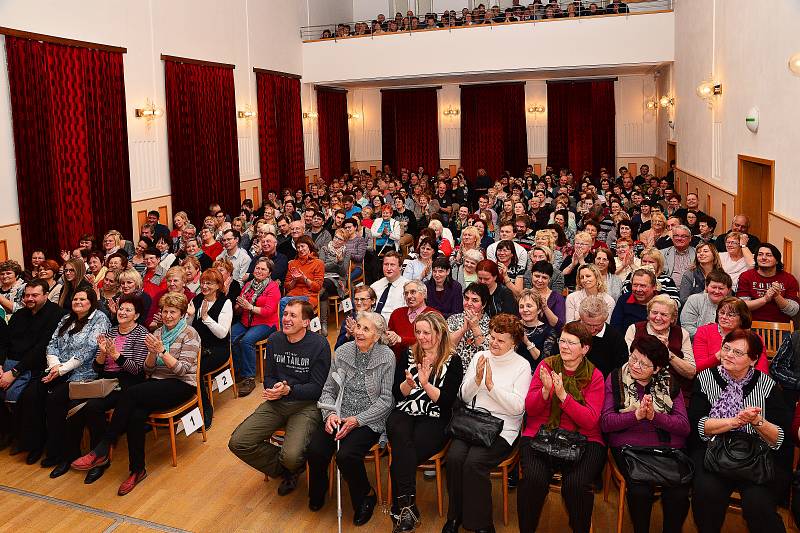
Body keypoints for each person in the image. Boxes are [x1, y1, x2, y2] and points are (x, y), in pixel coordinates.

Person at [71, 292, 201, 496]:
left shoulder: (190, 334)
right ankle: (137, 470)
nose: (167, 316)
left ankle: (104, 446)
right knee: (135, 415)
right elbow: (148, 371)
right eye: (165, 311)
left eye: (173, 312)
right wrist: (152, 353)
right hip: (156, 383)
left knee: (130, 393)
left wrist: (162, 352)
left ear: (182, 314)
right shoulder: (157, 333)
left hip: (180, 384)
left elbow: (182, 370)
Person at [688, 329, 791, 533]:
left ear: (753, 360)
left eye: (737, 352)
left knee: (758, 504)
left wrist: (756, 421)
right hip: (713, 450)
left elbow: (780, 437)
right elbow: (699, 425)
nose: (728, 355)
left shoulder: (767, 385)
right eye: (726, 348)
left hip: (756, 455)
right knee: (707, 492)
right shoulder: (705, 378)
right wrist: (734, 421)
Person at [228, 300, 331, 496]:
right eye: (285, 314)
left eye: (293, 315)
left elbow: (318, 389)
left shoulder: (319, 345)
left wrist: (288, 390)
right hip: (278, 401)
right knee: (238, 442)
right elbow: (268, 377)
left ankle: (291, 463)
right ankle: (288, 469)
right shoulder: (275, 339)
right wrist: (274, 388)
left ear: (306, 322)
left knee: (291, 455)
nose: (286, 319)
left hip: (306, 405)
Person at [444, 314, 532, 533]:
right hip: (473, 423)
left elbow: (518, 408)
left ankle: (482, 524)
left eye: (501, 340)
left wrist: (491, 386)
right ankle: (455, 516)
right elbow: (463, 397)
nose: (494, 343)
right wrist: (476, 381)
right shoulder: (480, 356)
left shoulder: (522, 366)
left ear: (514, 342)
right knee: (454, 458)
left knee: (474, 463)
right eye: (492, 337)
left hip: (504, 428)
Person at [306, 311, 395, 526]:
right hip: (339, 413)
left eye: (366, 329)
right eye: (358, 327)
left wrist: (357, 420)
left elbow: (385, 401)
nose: (360, 332)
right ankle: (318, 491)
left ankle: (365, 495)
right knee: (316, 449)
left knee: (346, 456)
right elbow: (328, 390)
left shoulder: (387, 356)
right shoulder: (343, 351)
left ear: (377, 335)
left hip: (368, 418)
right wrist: (330, 414)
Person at [517, 320, 606, 533]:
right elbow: (531, 409)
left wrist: (563, 397)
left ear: (585, 348)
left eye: (571, 343)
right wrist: (546, 393)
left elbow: (589, 421)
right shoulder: (546, 365)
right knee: (533, 480)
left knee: (575, 485)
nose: (564, 346)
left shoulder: (595, 376)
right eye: (562, 340)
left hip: (584, 438)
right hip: (542, 432)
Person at [600, 335, 692, 533]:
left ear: (657, 369)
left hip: (666, 450)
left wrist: (654, 416)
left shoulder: (669, 383)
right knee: (640, 491)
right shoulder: (616, 378)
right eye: (633, 358)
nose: (635, 366)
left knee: (678, 494)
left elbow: (684, 426)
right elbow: (607, 423)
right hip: (629, 448)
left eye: (643, 364)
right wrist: (637, 415)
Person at [386, 312, 463, 530]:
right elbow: (397, 393)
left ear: (439, 333)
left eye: (427, 332)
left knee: (401, 457)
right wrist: (409, 385)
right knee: (401, 438)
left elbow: (446, 402)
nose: (421, 337)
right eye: (418, 332)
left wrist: (426, 384)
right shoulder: (408, 354)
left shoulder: (453, 361)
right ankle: (407, 507)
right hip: (404, 411)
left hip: (435, 416)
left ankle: (402, 508)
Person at [62, 294, 148, 483]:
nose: (123, 312)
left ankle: (99, 458)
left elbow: (137, 370)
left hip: (127, 382)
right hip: (105, 381)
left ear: (137, 315)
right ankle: (71, 456)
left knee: (94, 407)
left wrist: (115, 354)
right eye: (121, 309)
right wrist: (102, 352)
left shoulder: (141, 333)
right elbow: (97, 368)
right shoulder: (112, 331)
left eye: (128, 310)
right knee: (74, 404)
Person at [39, 289, 111, 476]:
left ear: (91, 302)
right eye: (75, 299)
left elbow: (88, 350)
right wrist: (55, 365)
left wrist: (60, 370)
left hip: (86, 375)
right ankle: (64, 455)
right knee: (44, 398)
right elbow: (52, 343)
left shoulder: (100, 319)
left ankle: (96, 461)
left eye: (82, 299)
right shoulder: (66, 319)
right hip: (60, 371)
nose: (78, 302)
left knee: (69, 406)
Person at [0, 280, 67, 460]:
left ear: (46, 294)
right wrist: (1, 365)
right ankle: (10, 435)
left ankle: (34, 444)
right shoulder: (19, 315)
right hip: (10, 365)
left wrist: (14, 372)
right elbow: (4, 343)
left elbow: (42, 348)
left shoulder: (57, 315)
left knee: (29, 397)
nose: (30, 299)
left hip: (39, 367)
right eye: (27, 295)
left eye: (34, 295)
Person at [625, 294, 697, 400]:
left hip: (674, 392)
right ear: (648, 314)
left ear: (672, 318)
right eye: (654, 313)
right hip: (637, 390)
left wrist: (668, 353)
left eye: (664, 314)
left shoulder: (682, 333)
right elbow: (628, 365)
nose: (658, 318)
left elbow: (691, 372)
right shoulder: (634, 329)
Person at [186, 269, 232, 428]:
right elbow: (188, 329)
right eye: (203, 283)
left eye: (209, 283)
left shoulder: (225, 302)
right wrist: (191, 316)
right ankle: (189, 407)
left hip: (218, 348)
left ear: (218, 285)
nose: (204, 286)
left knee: (195, 372)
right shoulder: (197, 299)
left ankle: (206, 410)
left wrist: (206, 318)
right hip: (198, 347)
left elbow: (222, 334)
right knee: (181, 368)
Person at [232, 257, 280, 397]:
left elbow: (268, 311)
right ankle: (239, 369)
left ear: (269, 272)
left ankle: (249, 377)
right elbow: (239, 307)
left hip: (265, 323)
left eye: (263, 269)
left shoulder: (272, 287)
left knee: (246, 341)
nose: (259, 271)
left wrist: (250, 307)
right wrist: (239, 306)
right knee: (231, 337)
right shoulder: (247, 285)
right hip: (246, 320)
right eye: (257, 268)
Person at [692, 296, 769, 374]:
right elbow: (699, 368)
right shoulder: (704, 331)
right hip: (711, 380)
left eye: (730, 315)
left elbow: (762, 371)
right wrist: (719, 355)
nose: (724, 317)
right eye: (722, 312)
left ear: (742, 318)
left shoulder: (754, 338)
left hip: (745, 381)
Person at [737, 243, 800, 324]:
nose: (763, 258)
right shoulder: (746, 276)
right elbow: (741, 307)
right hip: (751, 325)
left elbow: (793, 311)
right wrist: (765, 299)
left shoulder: (789, 279)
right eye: (760, 254)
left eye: (769, 255)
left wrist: (777, 295)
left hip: (780, 327)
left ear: (777, 260)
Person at [579, 295, 630, 377]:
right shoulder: (571, 332)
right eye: (588, 324)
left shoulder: (616, 339)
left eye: (597, 325)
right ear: (581, 318)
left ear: (605, 319)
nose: (592, 330)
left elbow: (621, 371)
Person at [387, 280, 438, 359]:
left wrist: (401, 339)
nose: (409, 296)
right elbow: (389, 339)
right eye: (406, 293)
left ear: (424, 294)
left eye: (413, 292)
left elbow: (435, 341)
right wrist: (389, 339)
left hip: (424, 361)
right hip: (396, 363)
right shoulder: (396, 313)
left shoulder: (434, 315)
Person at [680, 270, 733, 338]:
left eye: (721, 288)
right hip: (696, 343)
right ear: (706, 287)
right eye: (713, 287)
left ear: (728, 290)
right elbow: (687, 328)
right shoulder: (694, 300)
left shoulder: (733, 306)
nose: (717, 291)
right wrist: (710, 335)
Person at [318, 228, 351, 336]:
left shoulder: (346, 252)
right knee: (325, 290)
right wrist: (335, 262)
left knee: (324, 284)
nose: (336, 240)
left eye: (340, 239)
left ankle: (314, 301)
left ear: (344, 242)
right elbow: (322, 267)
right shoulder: (324, 249)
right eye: (336, 237)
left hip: (339, 281)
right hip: (324, 279)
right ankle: (324, 324)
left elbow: (343, 272)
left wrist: (340, 262)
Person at [283, 235, 324, 317]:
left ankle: (291, 328)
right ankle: (285, 328)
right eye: (298, 247)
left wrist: (304, 278)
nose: (300, 249)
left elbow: (317, 287)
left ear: (309, 246)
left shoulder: (318, 263)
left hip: (308, 296)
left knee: (288, 304)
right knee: (284, 302)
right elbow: (287, 287)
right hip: (293, 295)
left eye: (302, 246)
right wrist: (294, 280)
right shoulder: (292, 263)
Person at [517, 289, 557, 370]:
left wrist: (527, 342)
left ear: (539, 310)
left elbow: (544, 362)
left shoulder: (549, 331)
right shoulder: (513, 326)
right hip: (514, 371)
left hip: (536, 373)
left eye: (529, 306)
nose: (524, 310)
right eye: (521, 306)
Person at [611, 268, 659, 333]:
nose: (638, 289)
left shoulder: (662, 303)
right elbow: (615, 328)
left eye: (643, 286)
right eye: (635, 285)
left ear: (654, 287)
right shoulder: (624, 299)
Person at [370, 251, 410, 323]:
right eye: (386, 264)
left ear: (400, 267)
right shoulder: (375, 286)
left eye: (392, 265)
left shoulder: (408, 287)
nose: (388, 268)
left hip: (395, 327)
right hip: (373, 326)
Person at [530, 260, 566, 331]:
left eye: (544, 277)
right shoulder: (525, 295)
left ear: (549, 279)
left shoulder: (557, 297)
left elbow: (559, 325)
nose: (540, 280)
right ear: (531, 275)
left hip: (550, 337)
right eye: (537, 276)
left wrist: (545, 308)